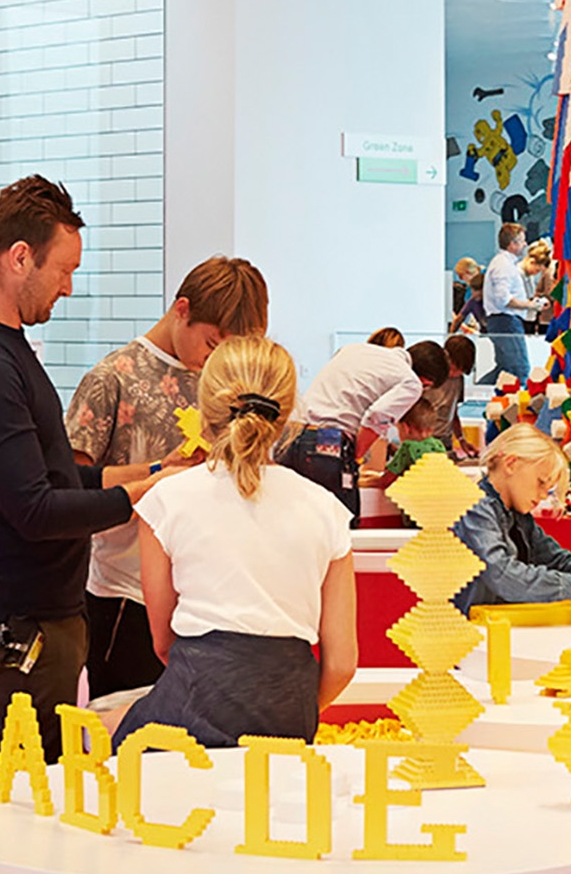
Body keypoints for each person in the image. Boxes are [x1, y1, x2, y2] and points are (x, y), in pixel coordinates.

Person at [0, 175, 155, 779]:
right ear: (20, 257)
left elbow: (52, 475)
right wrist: (137, 497)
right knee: (13, 797)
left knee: (42, 789)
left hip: (40, 613)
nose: (68, 288)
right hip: (17, 622)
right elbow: (34, 510)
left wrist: (152, 473)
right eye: (64, 270)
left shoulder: (3, 349)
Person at [116, 337, 357, 747]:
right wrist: (288, 714)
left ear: (204, 405)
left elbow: (163, 644)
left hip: (191, 708)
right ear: (286, 414)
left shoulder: (165, 500)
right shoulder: (327, 510)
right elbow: (342, 665)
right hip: (290, 717)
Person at [64, 256, 270, 708]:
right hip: (127, 595)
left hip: (207, 597)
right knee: (124, 728)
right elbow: (72, 490)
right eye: (211, 343)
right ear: (182, 310)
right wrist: (159, 472)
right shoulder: (111, 379)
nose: (213, 360)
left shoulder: (224, 383)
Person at [289, 335, 449, 517]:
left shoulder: (353, 349)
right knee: (342, 523)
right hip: (328, 444)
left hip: (293, 435)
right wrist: (356, 457)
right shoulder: (411, 382)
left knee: (303, 520)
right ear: (425, 381)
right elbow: (376, 417)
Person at [451, 424, 571, 612]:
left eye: (548, 490)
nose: (543, 496)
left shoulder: (518, 515)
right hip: (468, 625)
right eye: (540, 483)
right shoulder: (475, 509)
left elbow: (553, 556)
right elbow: (503, 575)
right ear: (511, 464)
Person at [481, 222, 541, 383]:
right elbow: (504, 299)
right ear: (512, 244)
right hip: (506, 321)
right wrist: (530, 305)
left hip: (502, 321)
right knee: (520, 370)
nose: (525, 244)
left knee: (504, 370)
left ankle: (477, 391)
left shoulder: (504, 263)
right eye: (522, 241)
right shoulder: (503, 266)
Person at [450, 257, 483, 332]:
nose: (460, 279)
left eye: (461, 276)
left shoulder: (488, 278)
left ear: (468, 272)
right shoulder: (469, 293)